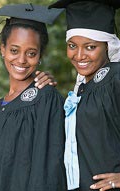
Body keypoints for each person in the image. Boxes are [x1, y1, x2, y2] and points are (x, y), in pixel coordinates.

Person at [0, 4, 67, 191]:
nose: (21, 60)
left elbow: (48, 172)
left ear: (40, 56)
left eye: (31, 53)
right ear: (3, 49)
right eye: (14, 50)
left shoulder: (46, 99)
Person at [49, 0, 120, 190]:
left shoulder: (116, 78)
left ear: (107, 45)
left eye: (90, 47)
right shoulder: (83, 86)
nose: (79, 55)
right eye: (72, 46)